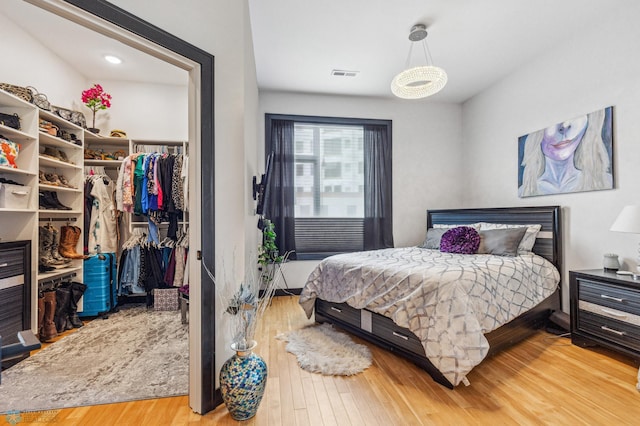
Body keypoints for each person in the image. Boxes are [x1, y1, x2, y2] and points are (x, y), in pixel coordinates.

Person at [518, 108, 612, 197]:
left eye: (577, 115)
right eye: (551, 120)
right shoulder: (523, 192)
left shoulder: (607, 182)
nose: (565, 126)